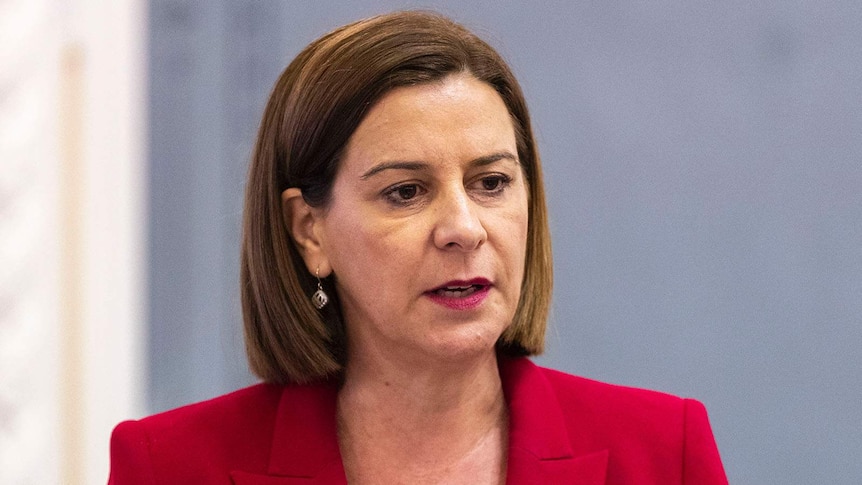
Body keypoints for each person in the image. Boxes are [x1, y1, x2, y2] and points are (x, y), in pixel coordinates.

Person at [108, 11, 728, 484]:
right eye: (406, 192)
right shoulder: (170, 465)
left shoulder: (662, 452)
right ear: (309, 230)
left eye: (491, 183)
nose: (464, 227)